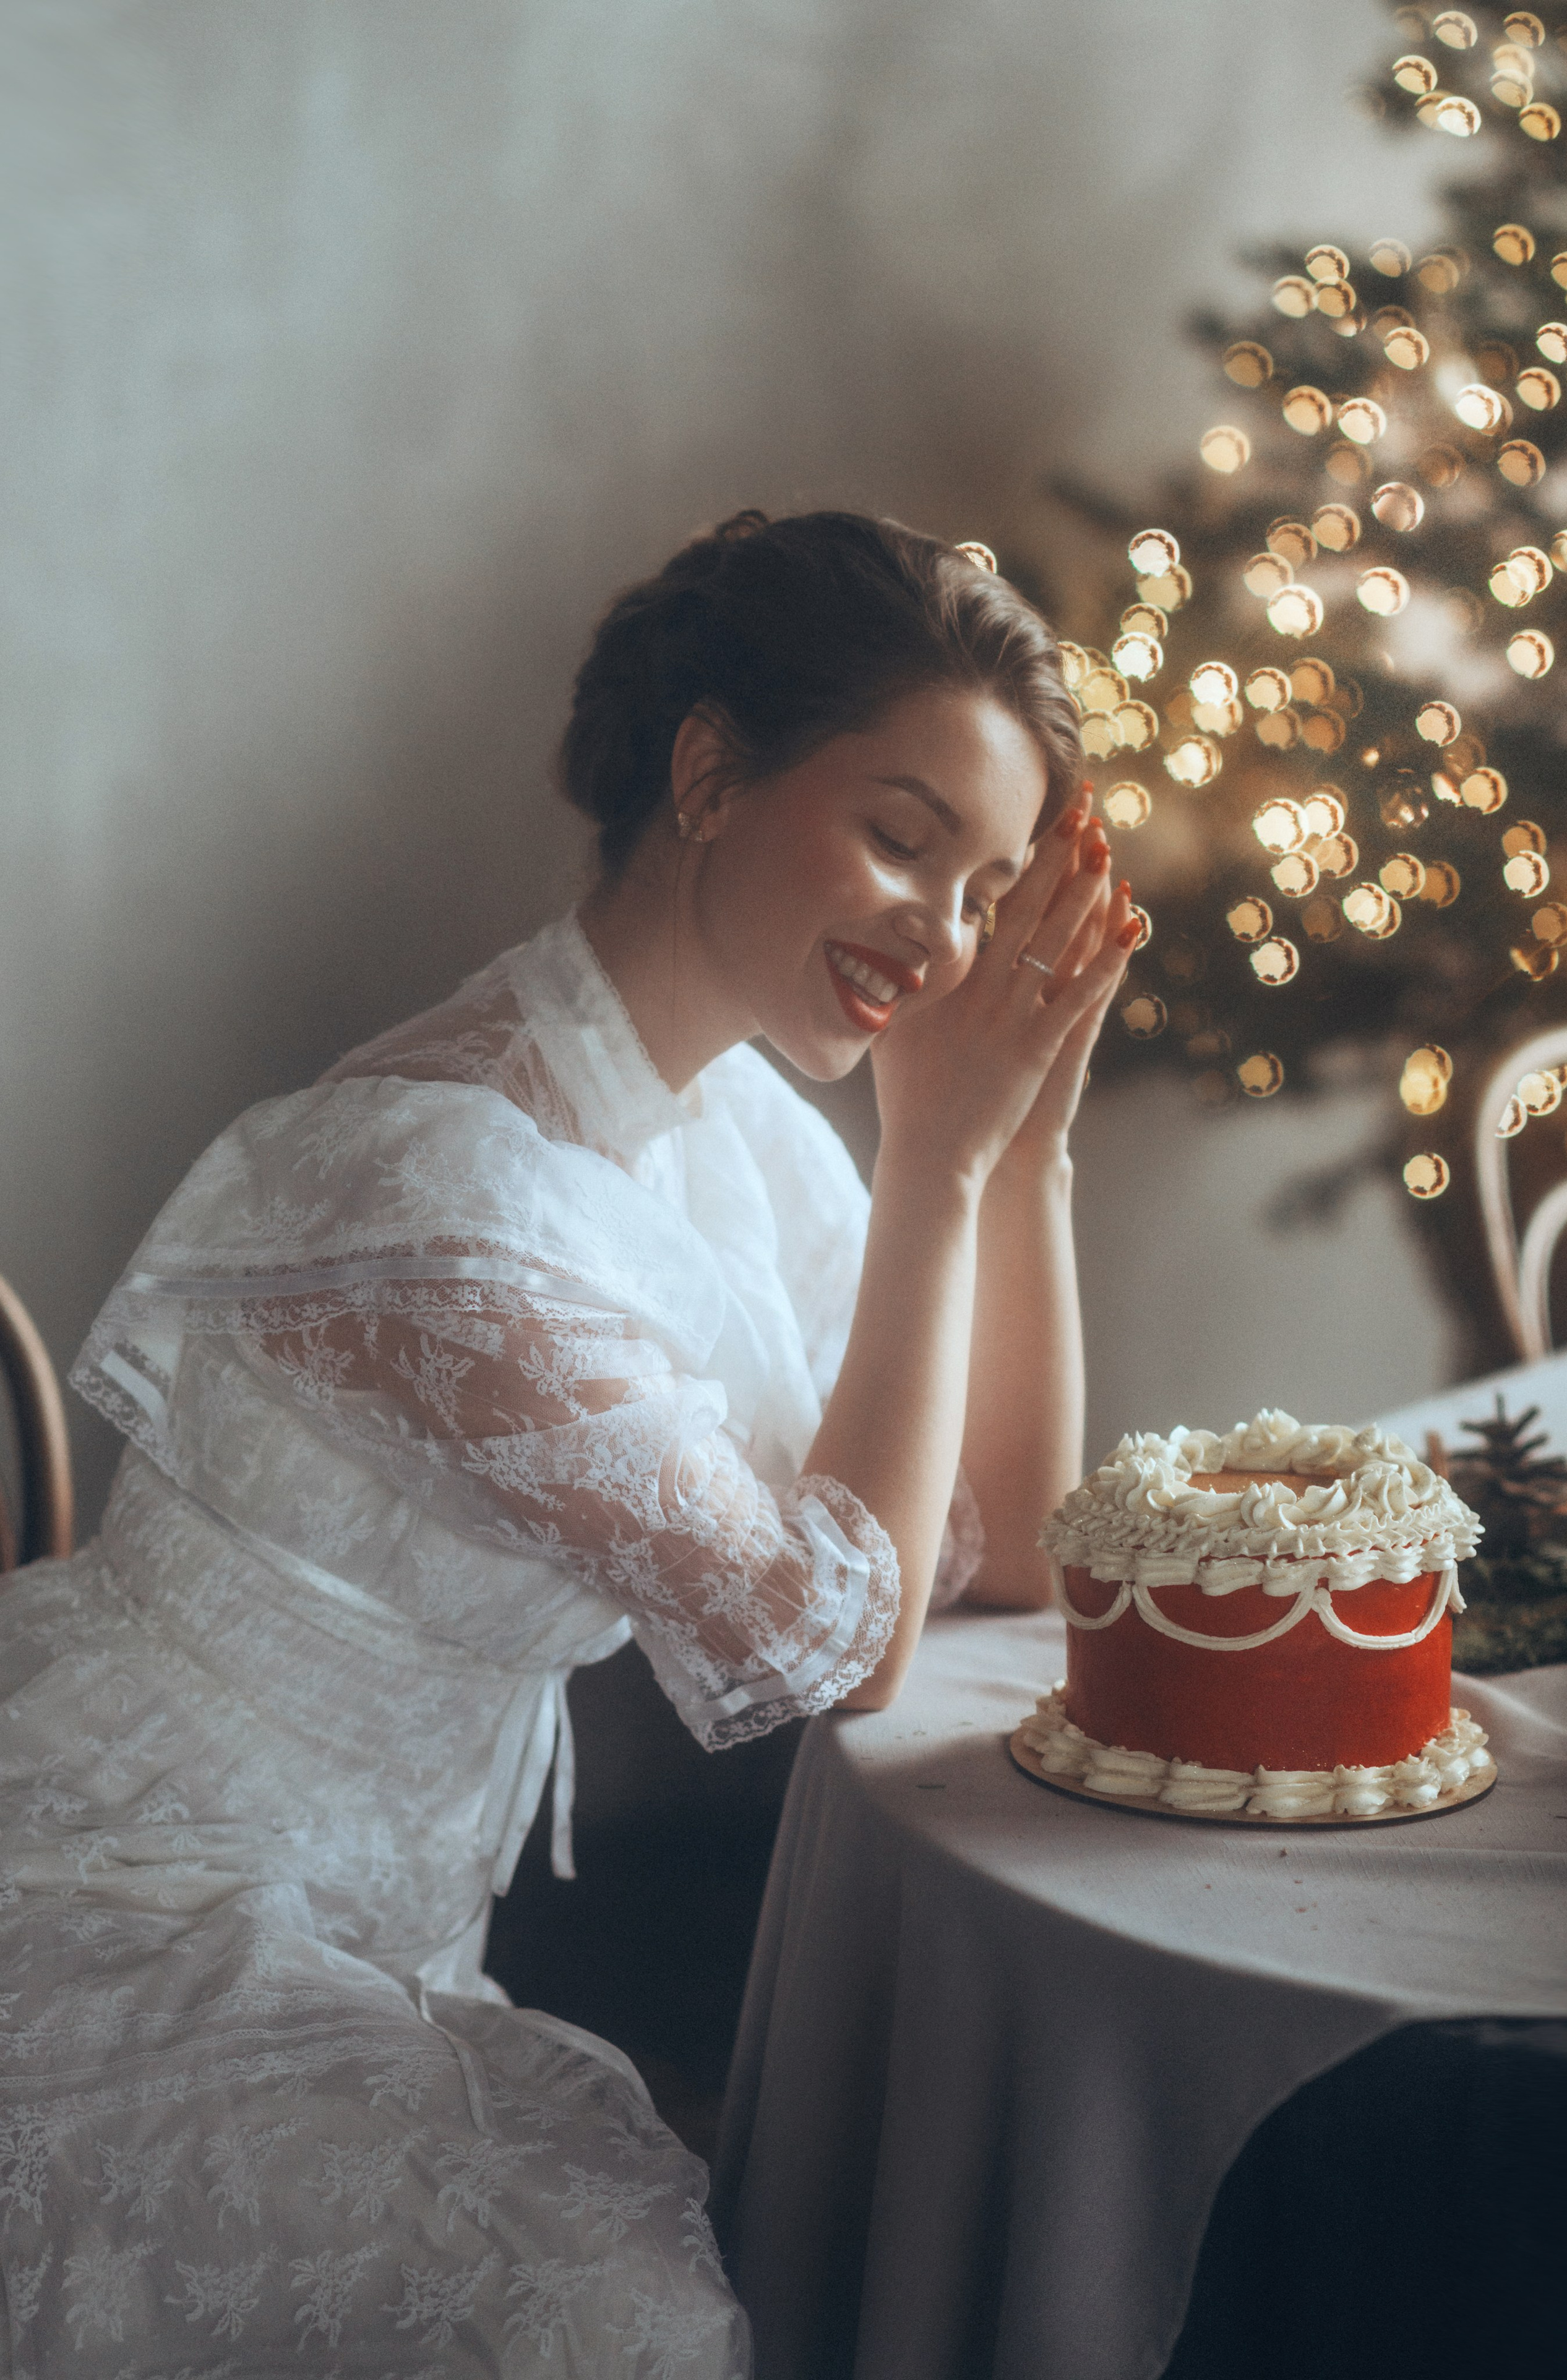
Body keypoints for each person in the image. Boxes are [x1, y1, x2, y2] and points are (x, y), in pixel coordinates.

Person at [0, 509, 1135, 2374]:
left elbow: (1001, 1543)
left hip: (389, 1939)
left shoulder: (733, 1133)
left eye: (987, 893)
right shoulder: (445, 1192)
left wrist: (1030, 1149)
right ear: (706, 773)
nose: (941, 941)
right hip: (125, 1899)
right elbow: (832, 1649)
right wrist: (939, 1163)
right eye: (903, 838)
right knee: (619, 2329)